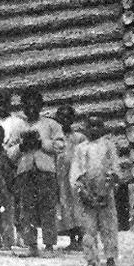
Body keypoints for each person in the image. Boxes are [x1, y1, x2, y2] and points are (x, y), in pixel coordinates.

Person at [15, 89, 65, 256]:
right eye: (26, 106)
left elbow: (60, 146)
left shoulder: (51, 125)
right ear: (22, 107)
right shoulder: (19, 126)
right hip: (25, 171)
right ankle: (31, 245)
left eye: (34, 105)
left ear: (40, 106)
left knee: (47, 207)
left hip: (45, 171)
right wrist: (21, 147)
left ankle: (49, 245)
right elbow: (9, 151)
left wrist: (41, 142)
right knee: (26, 208)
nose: (30, 109)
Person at [69, 116, 120, 266]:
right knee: (88, 228)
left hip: (105, 190)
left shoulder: (108, 146)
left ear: (103, 128)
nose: (94, 129)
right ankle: (91, 259)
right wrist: (82, 190)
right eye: (90, 126)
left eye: (98, 126)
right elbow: (75, 170)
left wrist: (109, 185)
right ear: (85, 129)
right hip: (87, 191)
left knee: (108, 226)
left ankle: (110, 257)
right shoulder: (80, 148)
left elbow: (115, 167)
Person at [55, 105, 87, 250]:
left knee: (78, 205)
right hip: (61, 176)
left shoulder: (79, 137)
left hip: (75, 175)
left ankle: (81, 238)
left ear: (73, 119)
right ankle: (72, 238)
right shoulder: (56, 137)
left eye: (68, 117)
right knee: (65, 206)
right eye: (61, 117)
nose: (64, 120)